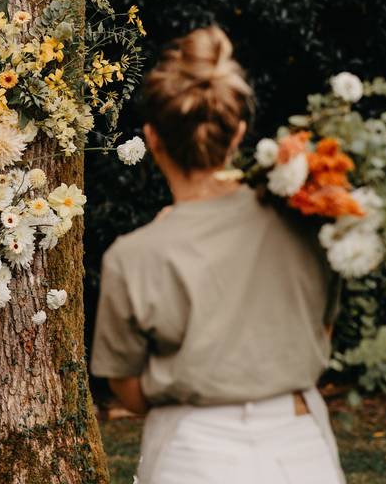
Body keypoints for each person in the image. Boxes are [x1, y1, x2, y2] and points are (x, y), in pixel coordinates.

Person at [90, 27, 345, 484]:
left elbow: (125, 386)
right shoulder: (308, 222)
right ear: (239, 133)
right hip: (299, 449)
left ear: (153, 139)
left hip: (192, 453)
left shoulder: (132, 257)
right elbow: (323, 326)